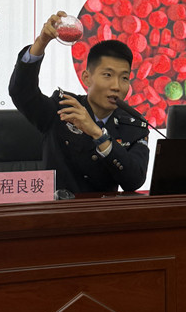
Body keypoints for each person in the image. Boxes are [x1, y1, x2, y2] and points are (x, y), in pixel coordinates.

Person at [9, 11, 150, 195]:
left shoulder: (134, 125)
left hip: (103, 211)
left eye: (124, 78)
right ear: (86, 78)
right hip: (57, 209)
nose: (116, 86)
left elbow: (134, 180)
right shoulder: (63, 108)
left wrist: (98, 134)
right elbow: (21, 92)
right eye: (107, 75)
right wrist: (41, 43)